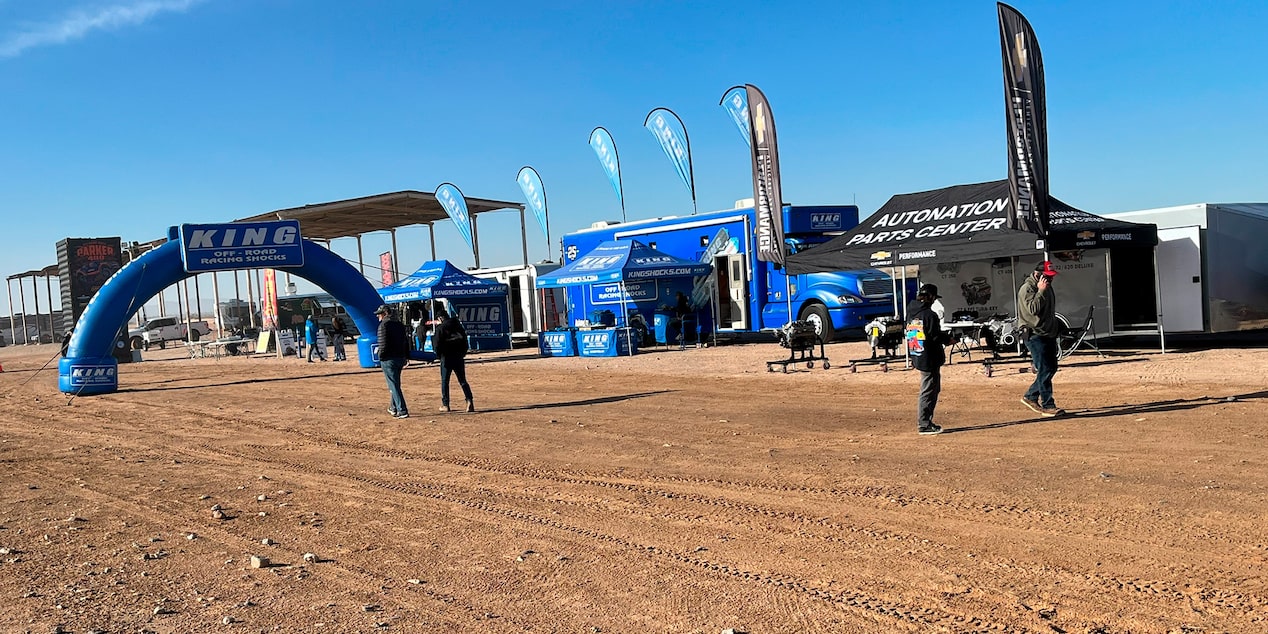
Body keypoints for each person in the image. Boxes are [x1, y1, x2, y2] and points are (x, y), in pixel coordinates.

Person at [1018, 260, 1065, 417]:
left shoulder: (1046, 287)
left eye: (1052, 277)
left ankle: (1031, 396)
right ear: (1038, 275)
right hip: (1034, 334)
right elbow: (1033, 310)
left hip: (1047, 333)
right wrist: (1041, 291)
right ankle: (1048, 404)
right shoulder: (1028, 289)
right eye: (1048, 277)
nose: (1051, 279)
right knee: (1045, 368)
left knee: (1050, 367)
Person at [907, 284, 950, 435]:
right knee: (928, 391)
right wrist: (948, 339)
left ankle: (925, 422)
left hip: (918, 355)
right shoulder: (929, 315)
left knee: (931, 388)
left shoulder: (911, 312)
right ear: (930, 297)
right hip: (929, 358)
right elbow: (935, 336)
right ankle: (924, 424)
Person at [432, 306, 474, 413]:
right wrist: (463, 353)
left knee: (445, 382)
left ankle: (445, 404)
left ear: (440, 318)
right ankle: (469, 401)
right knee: (463, 381)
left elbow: (436, 345)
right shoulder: (458, 326)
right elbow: (465, 341)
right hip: (458, 357)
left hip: (446, 358)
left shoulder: (440, 329)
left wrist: (439, 355)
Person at [376, 305, 410, 419]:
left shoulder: (383, 325)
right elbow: (405, 341)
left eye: (379, 314)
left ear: (384, 314)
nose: (377, 316)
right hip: (400, 357)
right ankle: (393, 407)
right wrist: (406, 356)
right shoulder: (399, 325)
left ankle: (402, 409)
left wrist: (380, 356)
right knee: (395, 383)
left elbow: (383, 344)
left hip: (388, 359)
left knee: (393, 385)